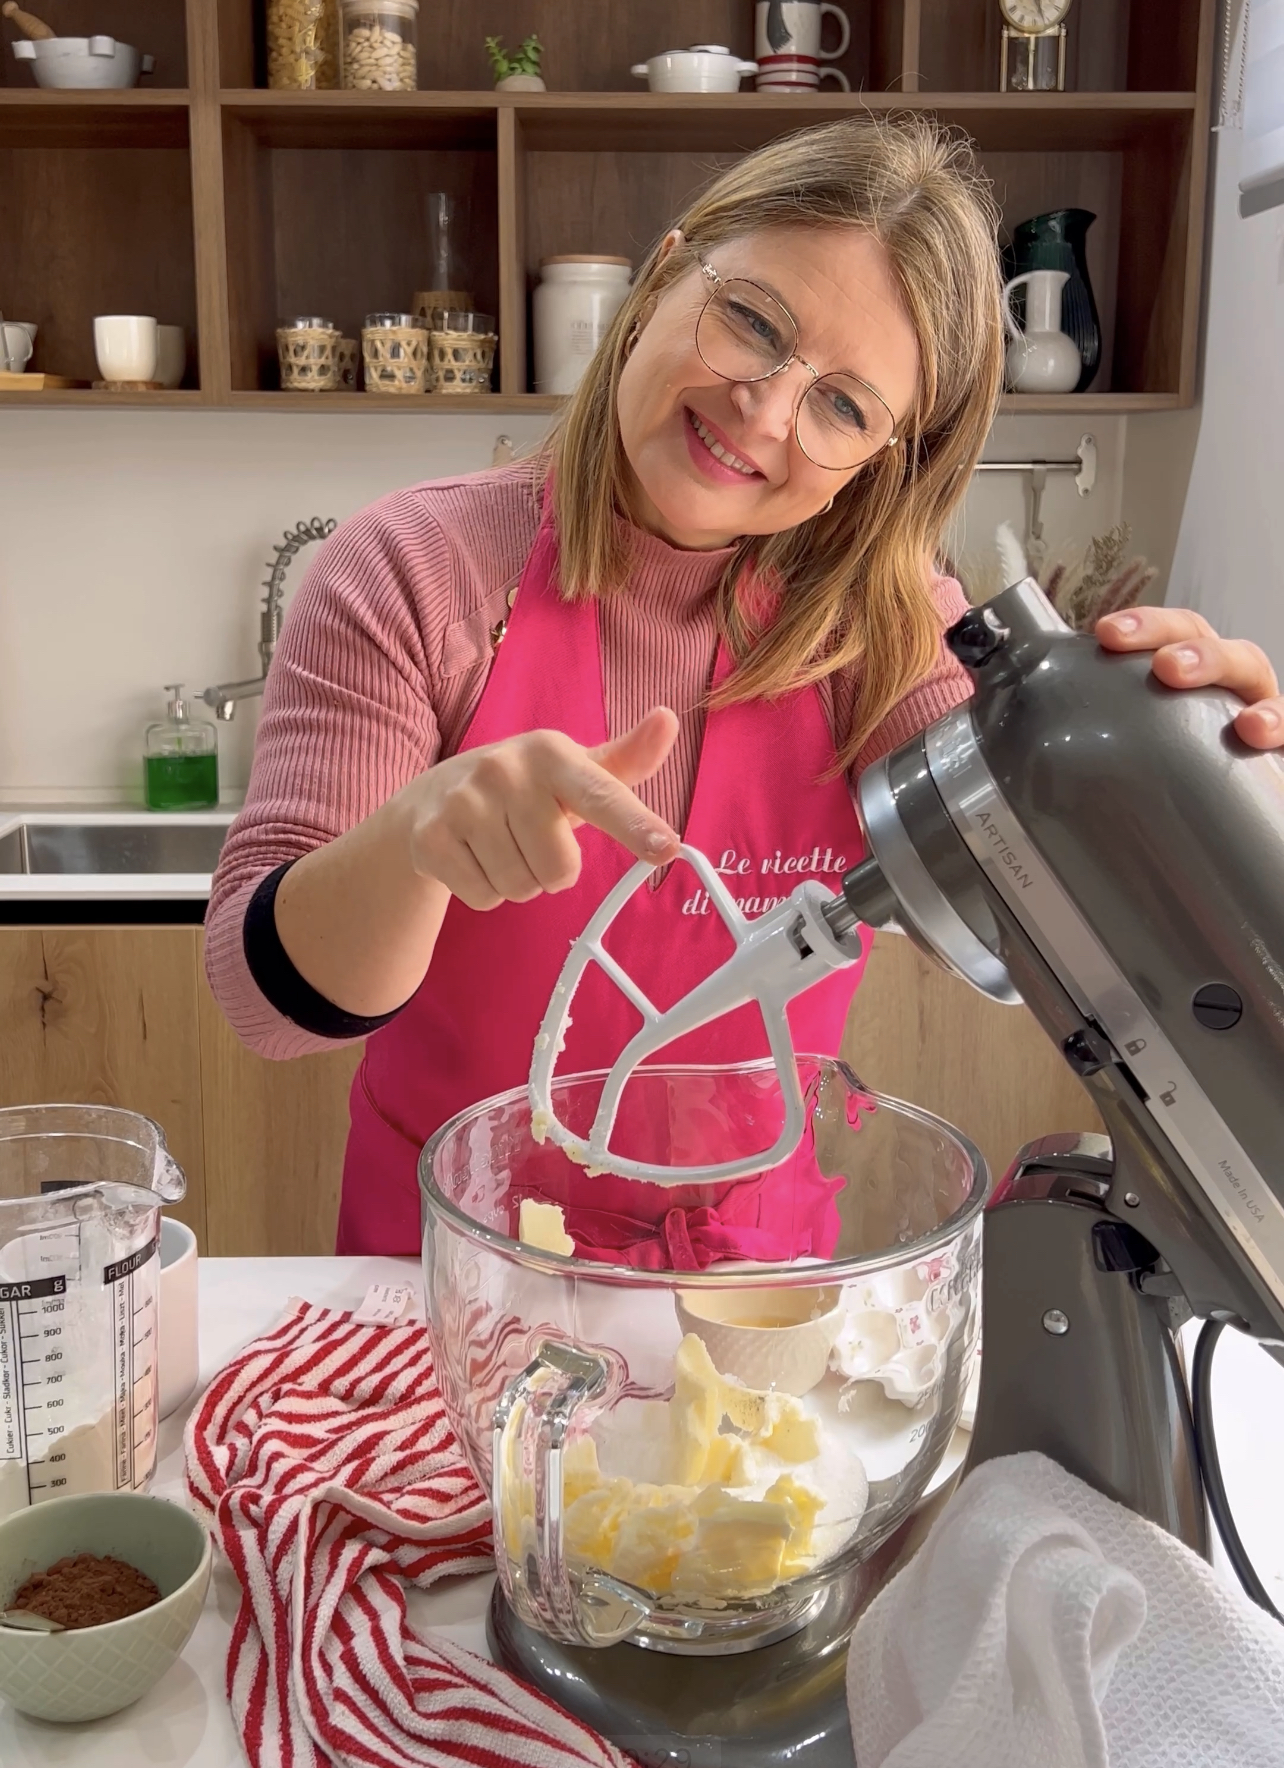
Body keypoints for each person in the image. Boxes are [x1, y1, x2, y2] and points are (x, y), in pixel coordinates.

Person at [206, 116, 1283, 1265]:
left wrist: (1210, 791)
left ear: (884, 460)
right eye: (754, 322)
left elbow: (1056, 918)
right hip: (453, 1284)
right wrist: (415, 841)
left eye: (844, 405)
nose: (766, 412)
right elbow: (266, 1008)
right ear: (668, 272)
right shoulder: (411, 569)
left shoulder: (892, 629)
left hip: (753, 1309)